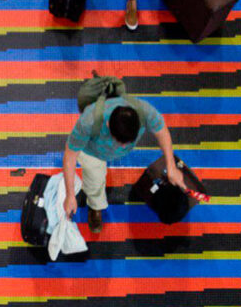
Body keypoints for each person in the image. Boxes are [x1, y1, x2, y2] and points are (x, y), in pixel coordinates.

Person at [62, 96, 185, 233]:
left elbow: (161, 131)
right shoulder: (88, 122)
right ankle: (95, 206)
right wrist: (70, 195)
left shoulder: (144, 110)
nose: (123, 146)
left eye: (128, 142)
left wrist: (171, 166)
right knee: (95, 183)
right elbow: (70, 156)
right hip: (92, 153)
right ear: (108, 125)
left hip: (106, 148)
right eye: (120, 141)